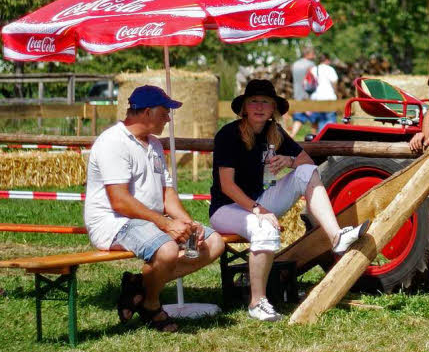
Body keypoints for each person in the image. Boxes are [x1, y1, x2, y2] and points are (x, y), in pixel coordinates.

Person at [209, 79, 369, 321]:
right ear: (244, 108)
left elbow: (307, 162)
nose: (260, 106)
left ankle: (336, 236)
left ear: (274, 109)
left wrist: (289, 162)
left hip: (259, 201)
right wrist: (258, 209)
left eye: (266, 102)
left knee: (305, 172)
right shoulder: (228, 134)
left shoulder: (275, 132)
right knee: (263, 228)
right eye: (254, 101)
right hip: (226, 209)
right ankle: (257, 302)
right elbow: (227, 186)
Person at [83, 85, 225, 333]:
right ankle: (151, 305)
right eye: (165, 112)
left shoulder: (154, 145)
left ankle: (139, 285)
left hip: (150, 222)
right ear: (147, 112)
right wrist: (167, 224)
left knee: (213, 244)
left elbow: (166, 193)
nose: (168, 118)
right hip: (114, 222)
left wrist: (190, 225)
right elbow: (119, 201)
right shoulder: (112, 143)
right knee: (167, 250)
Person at [288, 45, 316, 137]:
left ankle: (291, 137)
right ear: (308, 54)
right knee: (315, 119)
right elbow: (312, 81)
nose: (314, 56)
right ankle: (314, 141)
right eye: (313, 53)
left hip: (298, 95)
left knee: (299, 119)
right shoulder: (310, 65)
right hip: (308, 96)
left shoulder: (295, 64)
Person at [307, 52, 340, 133]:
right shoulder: (330, 69)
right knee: (330, 121)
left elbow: (308, 83)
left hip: (318, 98)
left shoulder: (314, 69)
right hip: (329, 98)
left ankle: (320, 140)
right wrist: (336, 93)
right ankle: (329, 140)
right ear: (327, 60)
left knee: (320, 121)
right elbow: (335, 82)